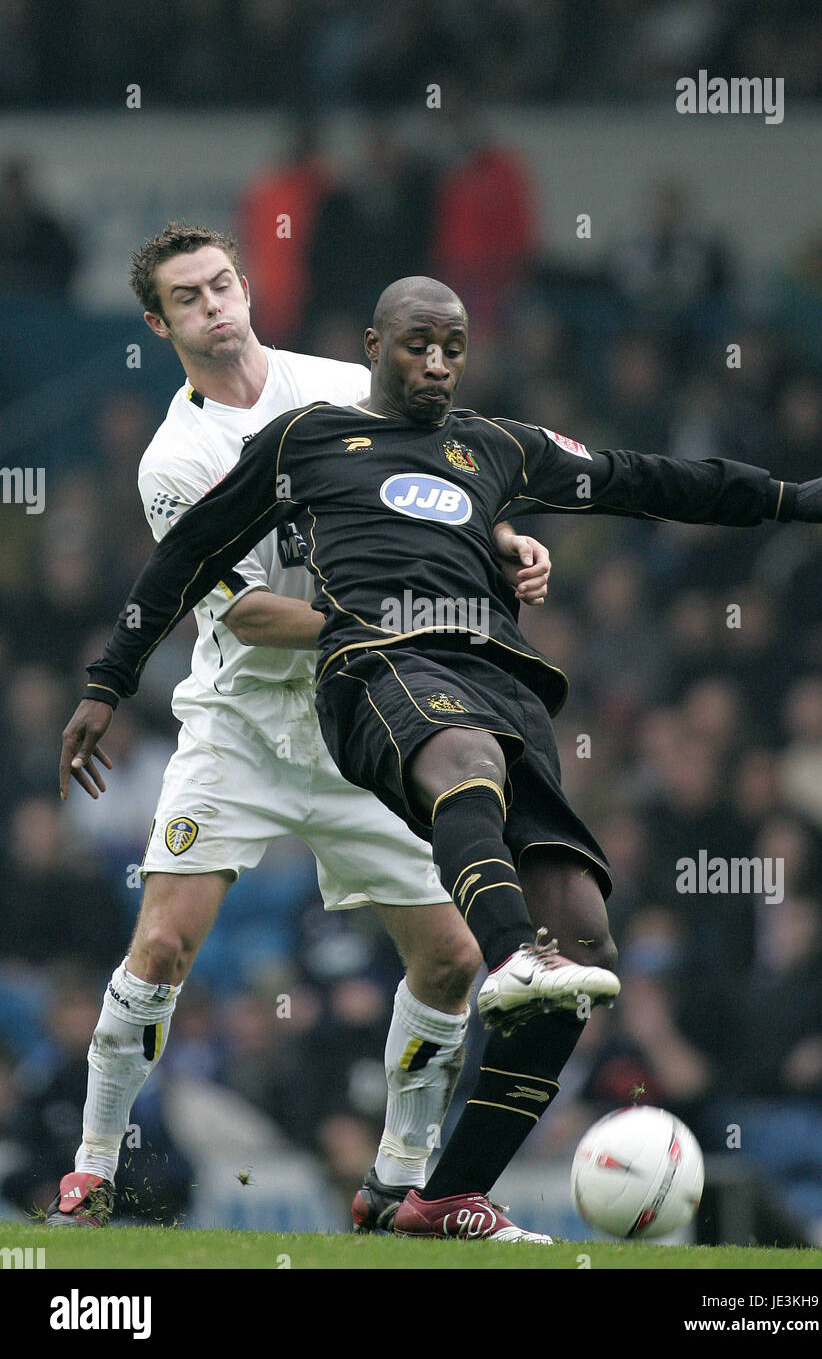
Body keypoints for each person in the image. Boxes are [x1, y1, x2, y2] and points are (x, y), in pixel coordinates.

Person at [61, 274, 822, 1242]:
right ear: (372, 343)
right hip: (371, 670)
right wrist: (107, 683)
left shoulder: (492, 444)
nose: (436, 364)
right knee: (462, 765)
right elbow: (183, 559)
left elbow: (637, 475)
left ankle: (442, 1193)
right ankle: (505, 952)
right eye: (416, 345)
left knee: (587, 950)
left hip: (500, 681)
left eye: (452, 346)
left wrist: (794, 496)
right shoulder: (304, 440)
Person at [49, 228, 553, 1238]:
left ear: (246, 287)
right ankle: (92, 1172)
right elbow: (239, 613)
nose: (214, 304)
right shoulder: (176, 458)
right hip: (242, 724)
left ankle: (398, 1185)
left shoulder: (336, 385)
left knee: (452, 958)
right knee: (162, 944)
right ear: (159, 323)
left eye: (224, 282)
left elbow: (446, 476)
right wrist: (413, 615)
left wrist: (503, 541)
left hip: (359, 716)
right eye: (187, 297)